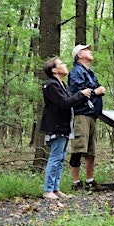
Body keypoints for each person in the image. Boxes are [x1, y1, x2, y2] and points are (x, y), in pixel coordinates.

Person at [40, 57, 91, 199]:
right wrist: (80, 94)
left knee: (61, 158)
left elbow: (70, 102)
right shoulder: (51, 85)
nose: (65, 65)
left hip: (65, 126)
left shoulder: (62, 85)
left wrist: (82, 97)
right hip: (56, 126)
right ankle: (48, 189)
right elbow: (63, 103)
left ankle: (55, 188)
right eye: (61, 63)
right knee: (55, 157)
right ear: (54, 70)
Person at [68, 44, 107, 191]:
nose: (90, 51)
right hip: (81, 114)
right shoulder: (76, 72)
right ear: (79, 55)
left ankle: (90, 181)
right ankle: (76, 183)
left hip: (91, 115)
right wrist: (96, 91)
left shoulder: (90, 72)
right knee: (78, 148)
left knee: (91, 150)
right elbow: (78, 92)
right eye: (86, 50)